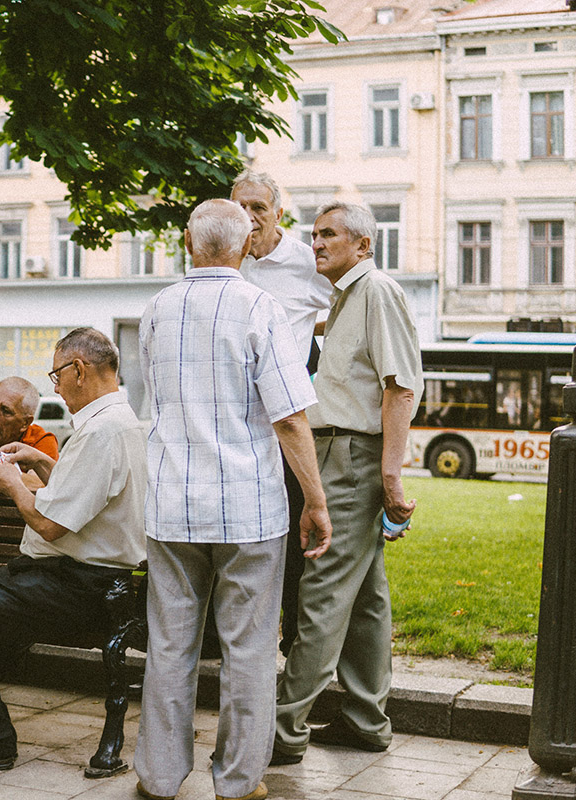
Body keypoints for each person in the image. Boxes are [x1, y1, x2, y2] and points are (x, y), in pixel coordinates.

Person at [133, 199, 332, 800]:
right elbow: (291, 418)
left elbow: (157, 407)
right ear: (247, 245)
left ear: (188, 242)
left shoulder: (157, 309)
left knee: (169, 644)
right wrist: (316, 502)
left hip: (171, 503)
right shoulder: (260, 308)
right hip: (248, 506)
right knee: (248, 649)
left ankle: (161, 777)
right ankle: (239, 780)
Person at [0, 327, 146, 772]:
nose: (55, 385)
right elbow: (90, 492)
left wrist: (2, 479)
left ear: (79, 369)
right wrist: (42, 462)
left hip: (85, 586)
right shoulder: (119, 422)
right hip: (87, 578)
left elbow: (49, 523)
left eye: (57, 374)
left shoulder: (102, 431)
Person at [272, 202, 423, 766]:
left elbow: (401, 387)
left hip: (353, 456)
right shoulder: (344, 298)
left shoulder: (376, 291)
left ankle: (283, 729)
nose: (316, 243)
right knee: (364, 596)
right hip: (338, 449)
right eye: (313, 235)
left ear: (364, 245)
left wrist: (391, 477)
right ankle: (366, 720)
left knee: (322, 589)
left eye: (329, 234)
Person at [231, 170, 333, 656]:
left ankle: (293, 644)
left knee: (295, 536)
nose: (249, 218)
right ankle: (232, 638)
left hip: (284, 424)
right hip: (233, 427)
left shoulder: (303, 262)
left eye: (259, 208)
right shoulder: (226, 260)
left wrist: (308, 346)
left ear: (278, 214)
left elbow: (347, 306)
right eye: (240, 208)